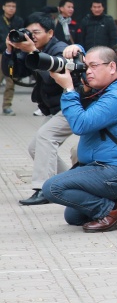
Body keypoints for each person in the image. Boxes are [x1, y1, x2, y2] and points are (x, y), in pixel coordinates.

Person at [40, 47, 117, 232]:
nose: (88, 71)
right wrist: (78, 50)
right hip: (100, 167)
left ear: (112, 67)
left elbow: (81, 125)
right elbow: (98, 56)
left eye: (93, 66)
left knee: (52, 188)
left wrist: (68, 89)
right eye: (86, 66)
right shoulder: (108, 89)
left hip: (115, 171)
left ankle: (111, 210)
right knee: (74, 216)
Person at [4, 13, 70, 205]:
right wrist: (11, 51)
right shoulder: (35, 48)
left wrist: (32, 51)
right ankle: (70, 183)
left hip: (72, 105)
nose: (32, 36)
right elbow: (15, 74)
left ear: (50, 32)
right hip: (54, 108)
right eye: (29, 32)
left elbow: (52, 77)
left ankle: (44, 189)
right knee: (36, 147)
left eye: (36, 32)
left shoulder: (60, 50)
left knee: (45, 137)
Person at [1, 0, 23, 115]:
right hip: (0, 54)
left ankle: (7, 106)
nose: (11, 8)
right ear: (3, 7)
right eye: (9, 6)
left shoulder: (18, 21)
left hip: (12, 55)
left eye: (13, 6)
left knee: (10, 81)